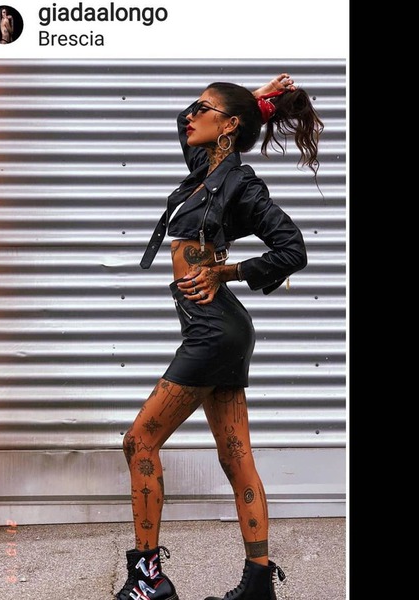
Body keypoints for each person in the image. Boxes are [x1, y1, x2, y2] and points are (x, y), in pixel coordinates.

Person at [115, 73, 324, 600]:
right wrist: (256, 99)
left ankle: (148, 579)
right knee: (236, 455)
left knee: (140, 440)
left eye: (203, 108)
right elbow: (180, 120)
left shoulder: (240, 183)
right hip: (217, 331)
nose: (190, 115)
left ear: (227, 126)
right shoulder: (200, 169)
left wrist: (225, 272)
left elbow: (292, 249)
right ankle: (258, 583)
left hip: (214, 331)